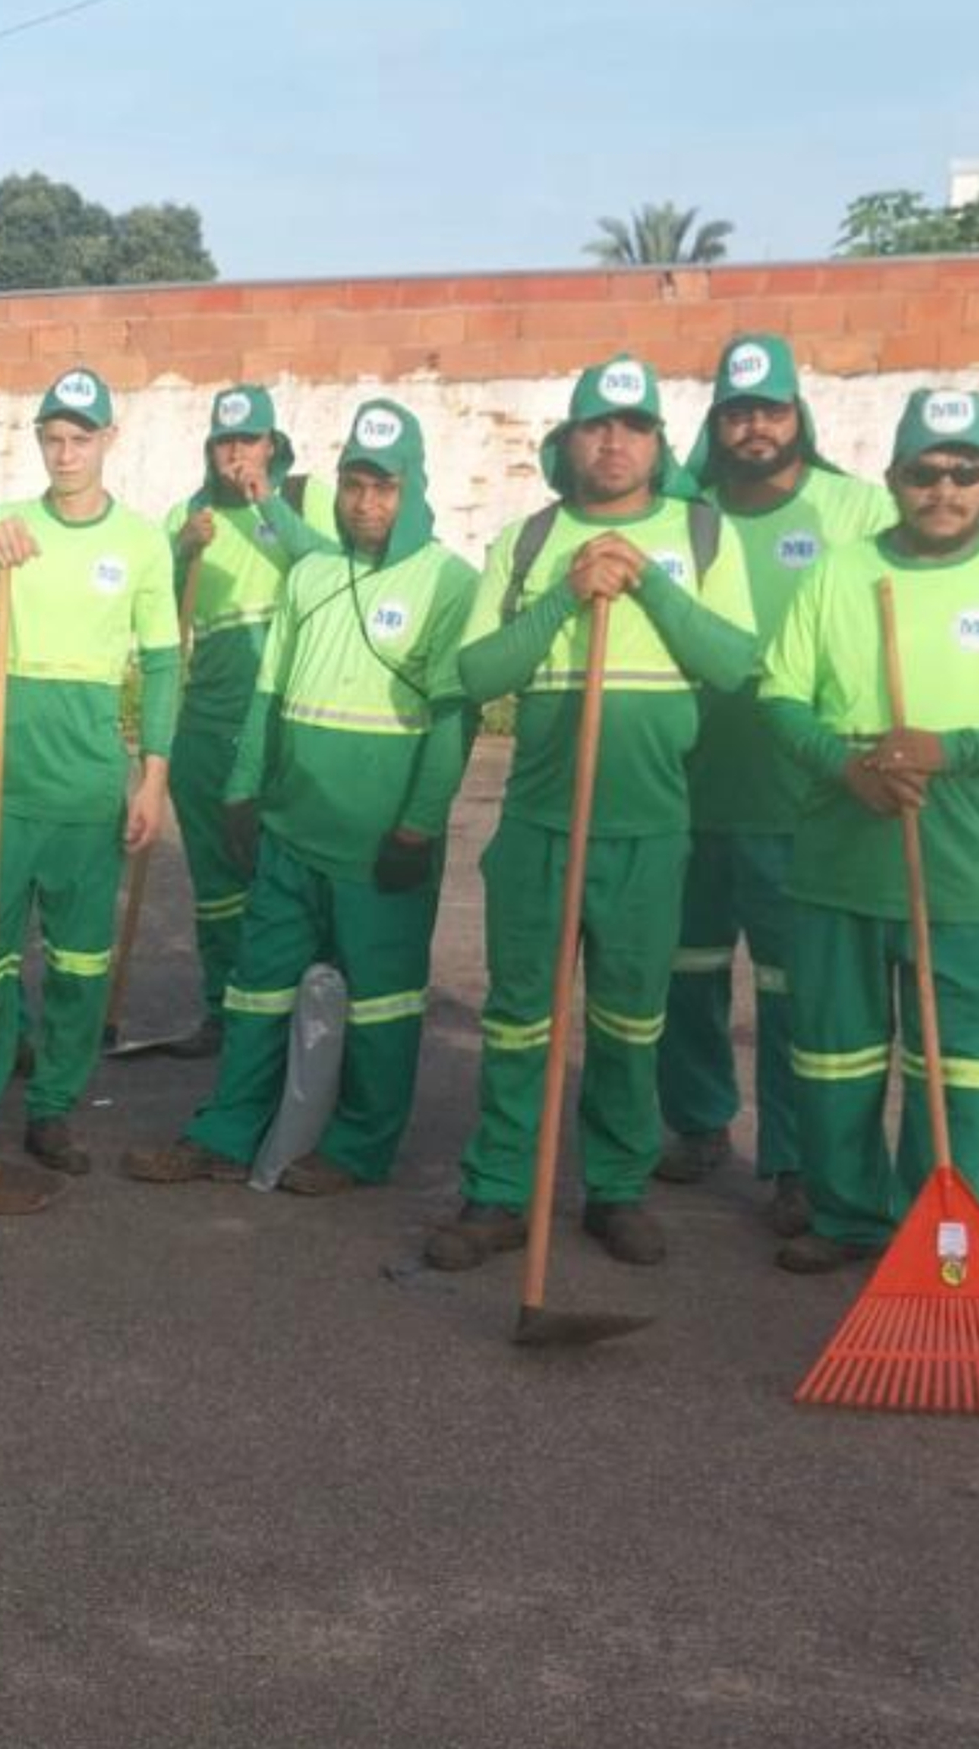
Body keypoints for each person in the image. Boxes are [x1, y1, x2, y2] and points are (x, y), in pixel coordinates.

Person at [437, 354, 758, 1272]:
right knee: (519, 1021)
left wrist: (648, 583)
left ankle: (615, 1190)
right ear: (568, 439)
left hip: (650, 829)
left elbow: (734, 664)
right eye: (595, 425)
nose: (613, 442)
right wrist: (563, 595)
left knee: (630, 1023)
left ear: (659, 442)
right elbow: (478, 674)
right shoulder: (530, 540)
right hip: (540, 824)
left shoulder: (699, 534)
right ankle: (500, 1192)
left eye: (633, 425)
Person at [758, 389, 979, 1274]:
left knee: (960, 1066)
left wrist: (956, 750)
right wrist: (847, 767)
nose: (943, 488)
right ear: (893, 476)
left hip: (963, 866)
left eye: (963, 470)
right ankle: (848, 1217)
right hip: (840, 855)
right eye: (923, 471)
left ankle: (944, 1224)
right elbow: (780, 696)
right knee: (835, 1060)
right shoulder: (838, 571)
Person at [121, 399, 477, 1193]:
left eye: (383, 488)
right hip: (291, 829)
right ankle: (225, 1130)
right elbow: (269, 694)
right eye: (355, 485)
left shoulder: (450, 581)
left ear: (412, 488)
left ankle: (356, 1149)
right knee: (257, 989)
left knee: (381, 1004)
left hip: (380, 841)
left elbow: (455, 717)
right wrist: (245, 789)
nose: (365, 504)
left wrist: (418, 828)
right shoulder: (311, 573)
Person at [0, 367, 181, 1178]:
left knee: (78, 962)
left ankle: (54, 1108)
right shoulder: (8, 527)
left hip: (90, 786)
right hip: (3, 788)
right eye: (52, 439)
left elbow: (163, 666)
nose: (65, 453)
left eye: (80, 438)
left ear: (108, 441)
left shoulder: (138, 543)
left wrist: (154, 777)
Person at [658, 334, 896, 1235]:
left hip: (805, 798)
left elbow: (927, 556)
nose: (754, 426)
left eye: (771, 409)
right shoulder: (686, 512)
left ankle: (796, 1159)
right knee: (689, 973)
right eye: (736, 411)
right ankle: (698, 1122)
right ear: (715, 423)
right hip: (689, 786)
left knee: (797, 989)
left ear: (800, 416)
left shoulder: (854, 506)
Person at [159, 384, 301, 1053]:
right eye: (224, 441)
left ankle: (282, 1009)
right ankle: (221, 1008)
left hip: (278, 722)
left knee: (274, 873)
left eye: (248, 440)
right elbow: (152, 605)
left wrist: (267, 502)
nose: (235, 453)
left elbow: (330, 567)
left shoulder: (304, 499)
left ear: (271, 445)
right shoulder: (188, 515)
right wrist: (182, 549)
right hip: (205, 723)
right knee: (214, 883)